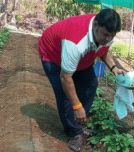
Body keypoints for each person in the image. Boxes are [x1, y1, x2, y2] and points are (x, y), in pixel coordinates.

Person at [38, 8, 124, 152]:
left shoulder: (104, 33)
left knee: (91, 83)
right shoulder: (76, 42)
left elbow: (104, 51)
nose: (108, 39)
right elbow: (65, 78)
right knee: (66, 96)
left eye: (112, 36)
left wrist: (113, 67)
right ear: (95, 25)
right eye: (106, 35)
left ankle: (78, 121)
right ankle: (74, 132)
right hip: (53, 56)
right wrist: (77, 106)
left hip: (80, 57)